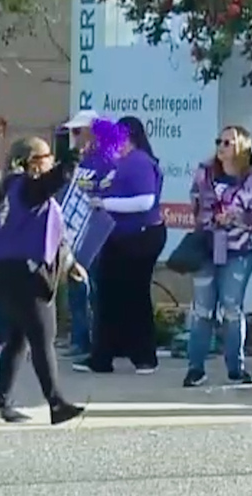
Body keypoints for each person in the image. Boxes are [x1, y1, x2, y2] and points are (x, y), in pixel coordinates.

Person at [0, 137, 85, 426]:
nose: (51, 160)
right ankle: (56, 402)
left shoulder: (20, 190)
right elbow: (52, 181)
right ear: (32, 162)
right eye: (46, 156)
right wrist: (72, 158)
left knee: (18, 339)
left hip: (6, 271)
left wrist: (69, 263)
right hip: (22, 273)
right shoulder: (23, 186)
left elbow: (53, 236)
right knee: (43, 337)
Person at [75, 116, 167, 375]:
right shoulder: (119, 163)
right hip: (118, 238)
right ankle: (103, 355)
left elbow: (145, 201)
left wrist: (104, 204)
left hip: (140, 238)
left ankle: (144, 356)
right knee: (109, 297)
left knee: (134, 296)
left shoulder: (139, 162)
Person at [182, 125, 252, 387]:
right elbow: (195, 201)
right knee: (202, 310)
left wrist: (237, 217)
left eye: (228, 142)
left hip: (238, 251)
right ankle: (195, 368)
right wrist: (208, 214)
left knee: (232, 309)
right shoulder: (205, 171)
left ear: (242, 146)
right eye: (219, 141)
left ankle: (236, 367)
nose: (221, 146)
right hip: (207, 248)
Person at [59, 109, 100, 360]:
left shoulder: (106, 159)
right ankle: (78, 338)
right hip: (72, 233)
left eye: (78, 131)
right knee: (76, 287)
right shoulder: (75, 159)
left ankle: (96, 341)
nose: (74, 137)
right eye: (72, 132)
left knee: (93, 288)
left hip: (94, 236)